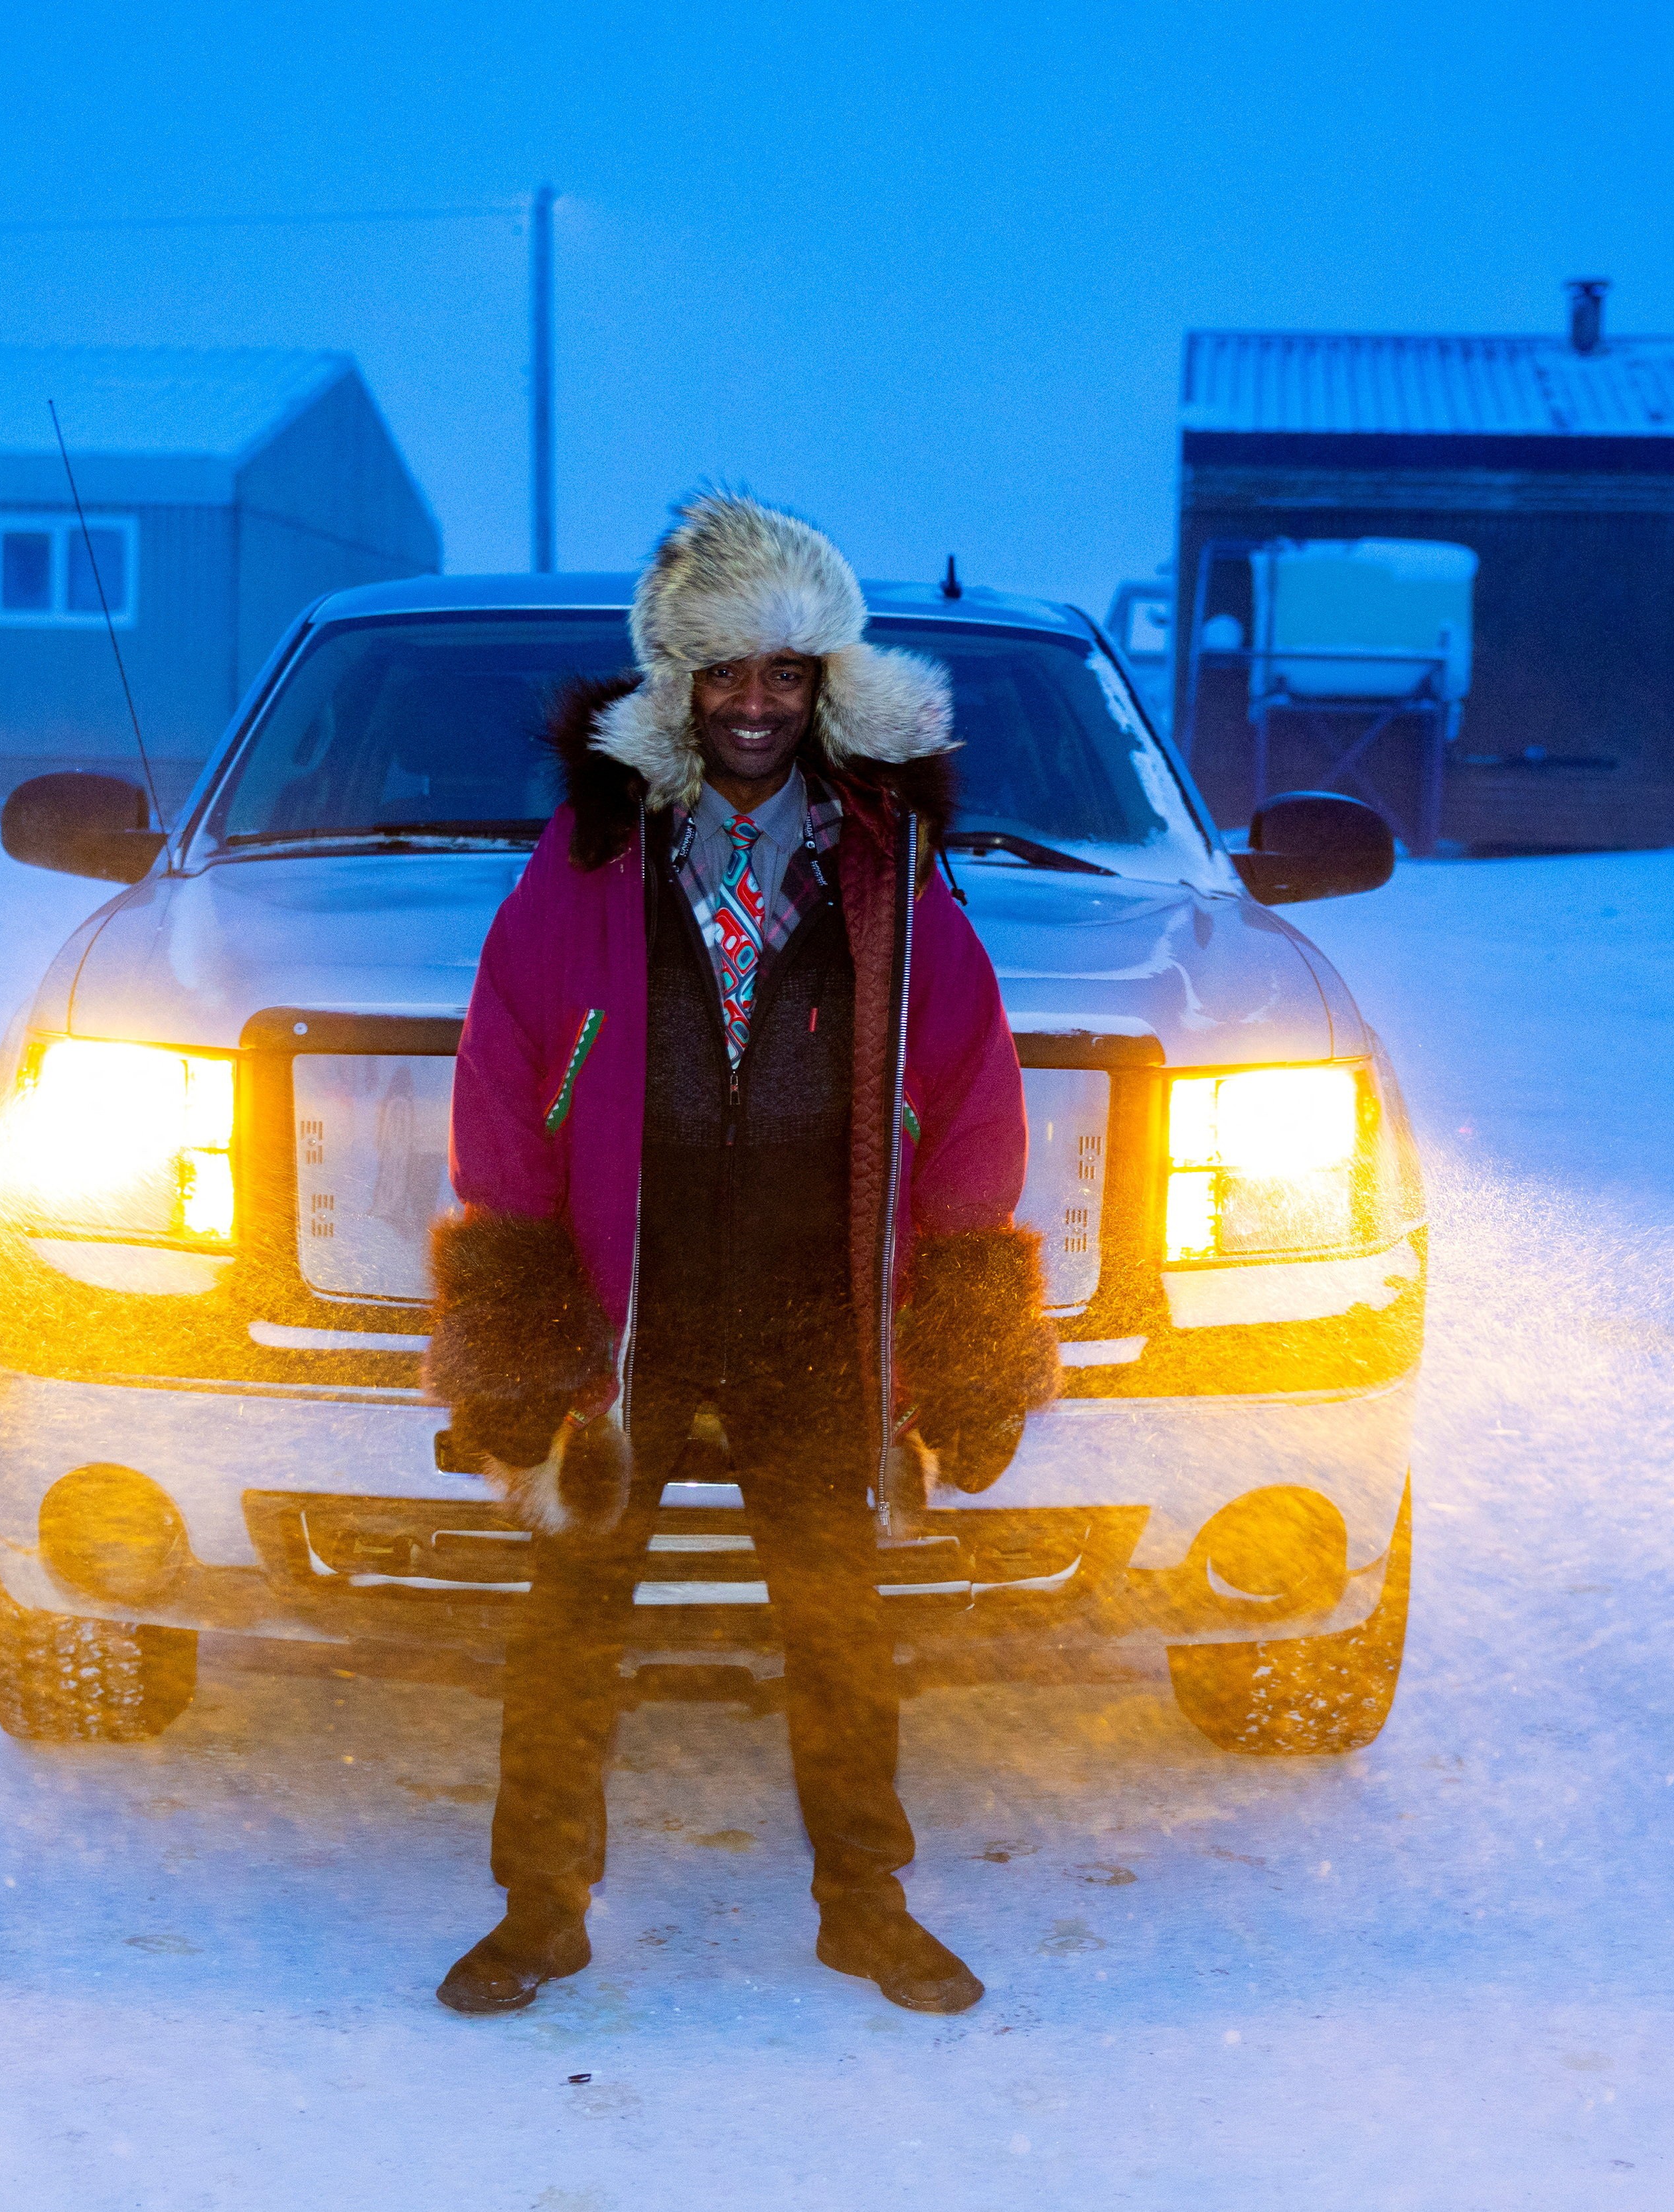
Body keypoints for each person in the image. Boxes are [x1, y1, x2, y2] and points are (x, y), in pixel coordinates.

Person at [423, 492, 1059, 2016]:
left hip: (806, 1314)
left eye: (783, 671)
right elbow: (506, 1076)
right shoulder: (585, 859)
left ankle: (864, 1900)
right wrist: (517, 1314)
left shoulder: (891, 872)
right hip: (626, 1314)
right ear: (676, 686)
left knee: (836, 1622)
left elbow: (970, 1099)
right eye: (722, 674)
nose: (755, 704)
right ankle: (540, 1908)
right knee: (570, 1621)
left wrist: (965, 1325)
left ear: (826, 680)